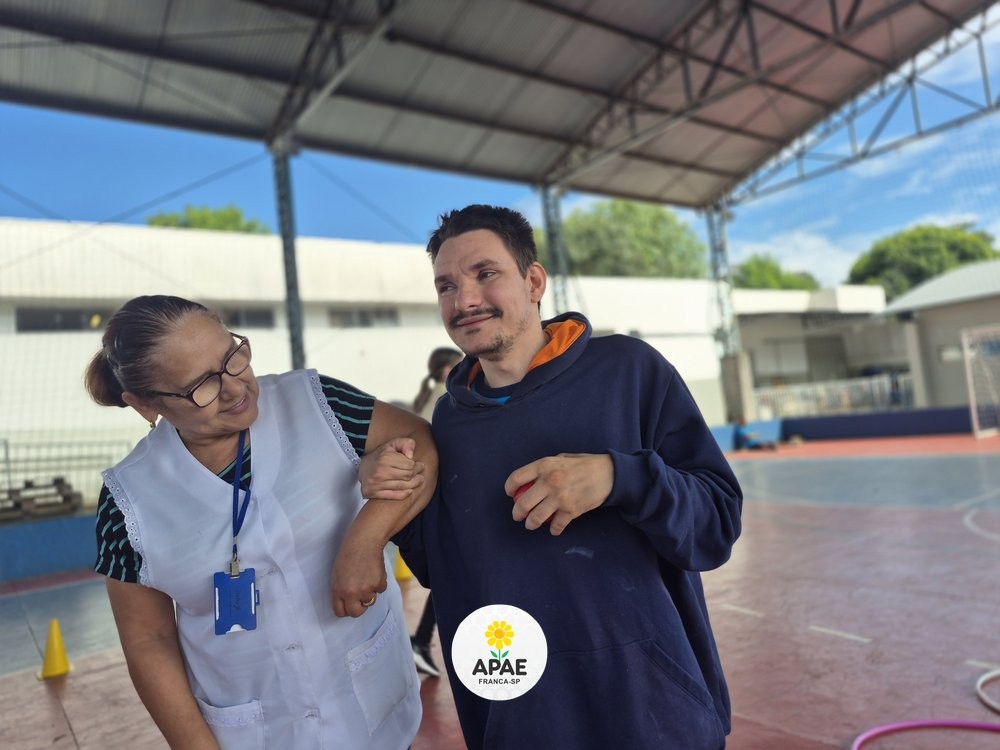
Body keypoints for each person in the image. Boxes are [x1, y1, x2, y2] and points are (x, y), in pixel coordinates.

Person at [393, 205, 743, 749]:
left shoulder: (628, 371)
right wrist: (395, 498)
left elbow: (716, 523)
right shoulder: (450, 421)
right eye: (447, 286)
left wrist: (618, 477)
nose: (464, 301)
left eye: (485, 274)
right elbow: (444, 565)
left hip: (656, 718)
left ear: (534, 282)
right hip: (525, 725)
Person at [86, 295, 436, 749]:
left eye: (232, 358)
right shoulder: (127, 502)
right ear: (144, 404)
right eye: (201, 386)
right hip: (255, 731)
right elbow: (149, 641)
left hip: (370, 706)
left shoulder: (317, 404)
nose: (235, 388)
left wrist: (366, 540)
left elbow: (419, 440)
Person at [407, 346, 462, 678]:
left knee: (451, 576)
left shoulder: (431, 398)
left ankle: (422, 641)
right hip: (441, 500)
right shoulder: (448, 400)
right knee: (453, 576)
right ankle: (422, 641)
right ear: (446, 371)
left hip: (434, 499)